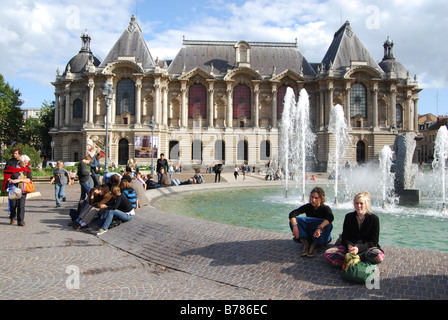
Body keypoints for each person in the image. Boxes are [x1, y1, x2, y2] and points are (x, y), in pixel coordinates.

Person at [324, 191, 384, 267]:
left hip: (366, 249)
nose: (358, 206)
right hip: (350, 249)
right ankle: (357, 261)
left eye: (361, 203)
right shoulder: (349, 217)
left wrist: (358, 248)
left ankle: (351, 261)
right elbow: (345, 236)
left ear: (366, 204)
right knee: (328, 253)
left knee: (379, 256)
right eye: (356, 203)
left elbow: (374, 241)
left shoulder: (374, 219)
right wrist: (349, 246)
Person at [289, 187, 334, 258]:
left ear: (321, 199)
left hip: (321, 236)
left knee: (328, 224)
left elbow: (330, 217)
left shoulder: (325, 208)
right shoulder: (308, 206)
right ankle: (305, 242)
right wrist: (295, 226)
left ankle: (315, 244)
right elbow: (293, 213)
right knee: (294, 220)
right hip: (310, 234)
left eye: (316, 198)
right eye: (312, 197)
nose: (313, 200)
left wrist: (319, 228)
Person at [6, 155, 33, 226]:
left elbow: (29, 179)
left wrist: (19, 180)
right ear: (21, 162)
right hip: (14, 189)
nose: (26, 164)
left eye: (27, 163)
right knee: (13, 205)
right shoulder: (13, 167)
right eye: (25, 163)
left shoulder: (27, 169)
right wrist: (11, 180)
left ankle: (20, 220)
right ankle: (12, 217)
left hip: (22, 189)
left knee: (21, 205)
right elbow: (7, 176)